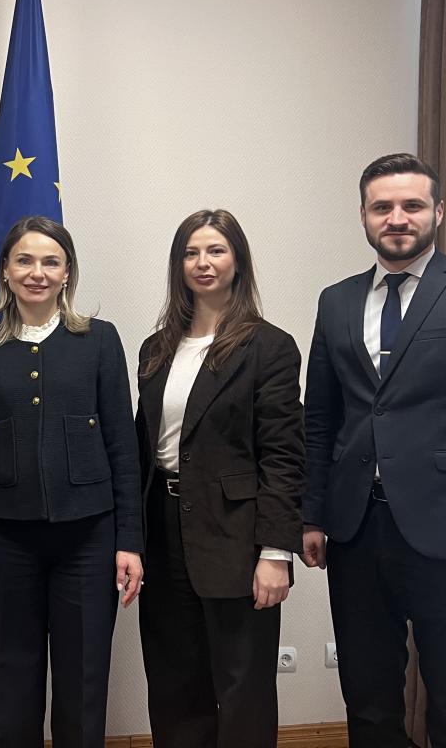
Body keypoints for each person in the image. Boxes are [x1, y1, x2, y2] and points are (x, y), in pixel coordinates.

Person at [302, 153, 446, 747]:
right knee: (368, 704)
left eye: (411, 205)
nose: (397, 218)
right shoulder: (336, 301)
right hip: (355, 531)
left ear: (438, 211)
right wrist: (312, 514)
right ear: (363, 215)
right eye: (382, 207)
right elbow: (321, 420)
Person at [0, 215, 143, 748]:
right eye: (25, 261)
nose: (38, 272)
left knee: (84, 680)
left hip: (89, 539)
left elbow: (123, 448)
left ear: (67, 272)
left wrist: (129, 541)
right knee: (12, 677)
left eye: (51, 262)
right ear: (5, 271)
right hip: (5, 540)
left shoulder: (99, 340)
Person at [134, 209, 304, 748]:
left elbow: (283, 456)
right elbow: (144, 448)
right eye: (191, 252)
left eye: (215, 250)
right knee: (174, 681)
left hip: (236, 534)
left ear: (238, 261)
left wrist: (275, 552)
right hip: (163, 530)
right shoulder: (156, 348)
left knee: (242, 685)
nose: (202, 262)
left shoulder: (269, 347)